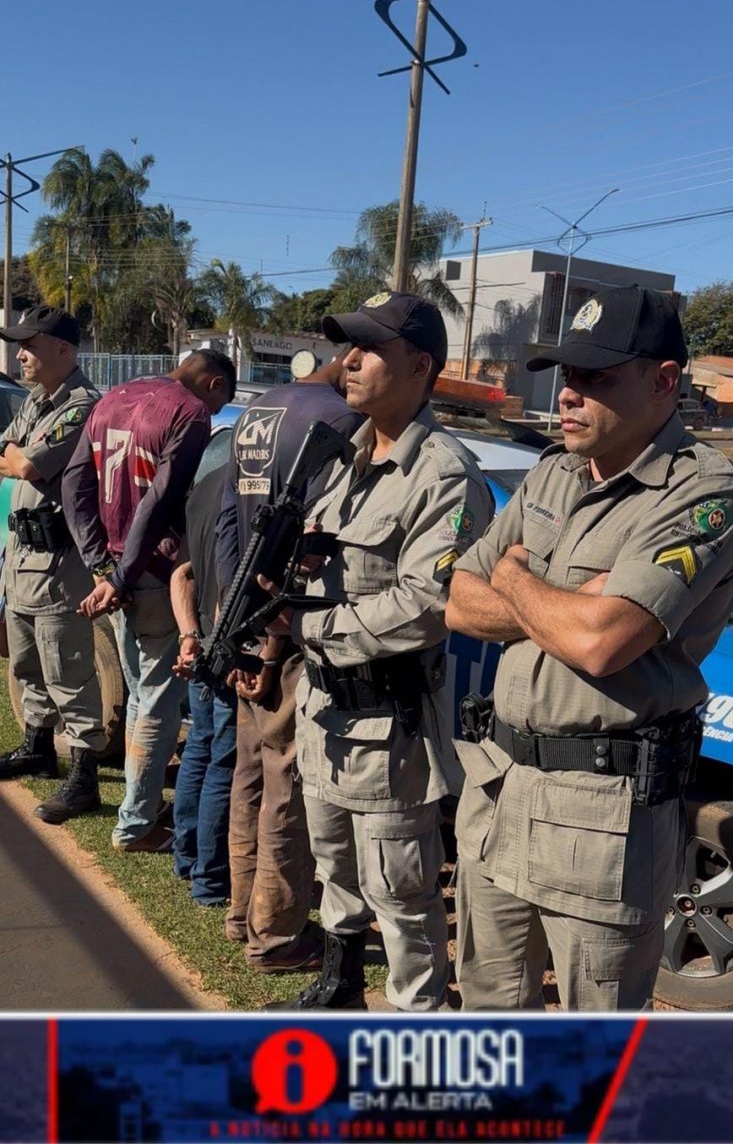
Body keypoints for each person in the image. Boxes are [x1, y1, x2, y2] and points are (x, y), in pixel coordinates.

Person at [445, 285, 733, 1011]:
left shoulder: (705, 493)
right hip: (500, 789)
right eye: (568, 375)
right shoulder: (554, 471)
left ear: (663, 381)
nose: (570, 395)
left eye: (597, 377)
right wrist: (550, 596)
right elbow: (458, 599)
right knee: (492, 1015)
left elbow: (599, 641)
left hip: (601, 823)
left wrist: (518, 578)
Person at [268, 291, 494, 1012]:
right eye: (347, 347)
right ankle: (339, 987)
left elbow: (425, 606)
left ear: (420, 365)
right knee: (334, 867)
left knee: (400, 887)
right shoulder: (343, 455)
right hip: (325, 710)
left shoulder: (445, 474)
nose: (350, 361)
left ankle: (415, 1024)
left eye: (369, 349)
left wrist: (305, 628)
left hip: (390, 725)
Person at [216, 348, 361, 972]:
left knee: (250, 773)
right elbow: (310, 550)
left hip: (242, 615)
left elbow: (228, 525)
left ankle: (240, 909)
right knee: (287, 786)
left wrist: (232, 633)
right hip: (289, 628)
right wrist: (271, 647)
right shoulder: (340, 421)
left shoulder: (257, 409)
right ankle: (274, 934)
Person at [62, 349, 235, 852]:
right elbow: (160, 498)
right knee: (157, 697)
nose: (219, 412)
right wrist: (119, 573)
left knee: (141, 691)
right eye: (222, 400)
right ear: (215, 383)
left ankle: (134, 812)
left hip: (117, 570)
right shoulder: (190, 412)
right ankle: (136, 824)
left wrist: (102, 565)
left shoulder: (115, 395)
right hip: (153, 572)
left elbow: (75, 482)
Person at [0, 306, 106, 824]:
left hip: (59, 563)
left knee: (68, 669)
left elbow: (25, 463)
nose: (20, 353)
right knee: (26, 663)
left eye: (30, 344)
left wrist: (18, 455)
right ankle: (37, 746)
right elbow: (6, 450)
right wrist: (16, 453)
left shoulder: (82, 404)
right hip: (21, 556)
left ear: (63, 349)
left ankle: (85, 777)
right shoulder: (38, 402)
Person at [170, 465, 237, 905]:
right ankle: (209, 881)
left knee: (199, 745)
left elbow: (182, 575)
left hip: (201, 640)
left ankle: (185, 856)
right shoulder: (249, 492)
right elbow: (225, 582)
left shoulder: (204, 488)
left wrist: (189, 635)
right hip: (226, 645)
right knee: (222, 762)